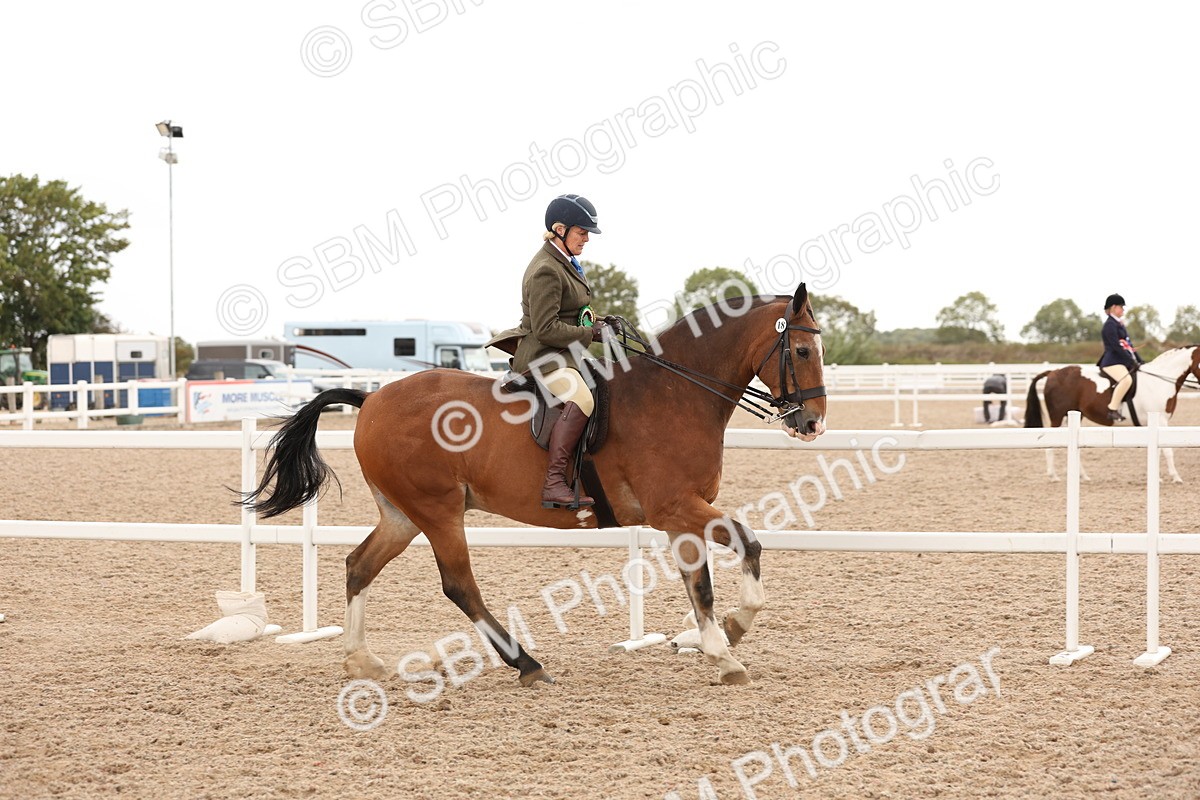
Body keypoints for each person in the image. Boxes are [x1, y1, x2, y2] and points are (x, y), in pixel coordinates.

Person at [487, 194, 609, 509]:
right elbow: (546, 329)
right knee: (583, 398)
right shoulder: (546, 269)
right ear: (559, 229)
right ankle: (554, 483)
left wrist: (602, 322)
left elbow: (571, 311)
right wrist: (589, 334)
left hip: (563, 353)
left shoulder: (564, 262)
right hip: (542, 356)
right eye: (581, 232)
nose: (586, 239)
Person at [1099, 292, 1143, 422]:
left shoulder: (1118, 324)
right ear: (1114, 307)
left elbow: (1129, 345)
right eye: (1121, 307)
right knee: (1126, 380)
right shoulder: (1110, 325)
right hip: (1112, 362)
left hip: (1121, 361)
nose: (1123, 309)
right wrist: (1131, 360)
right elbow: (1116, 347)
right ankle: (1112, 409)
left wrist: (1139, 360)